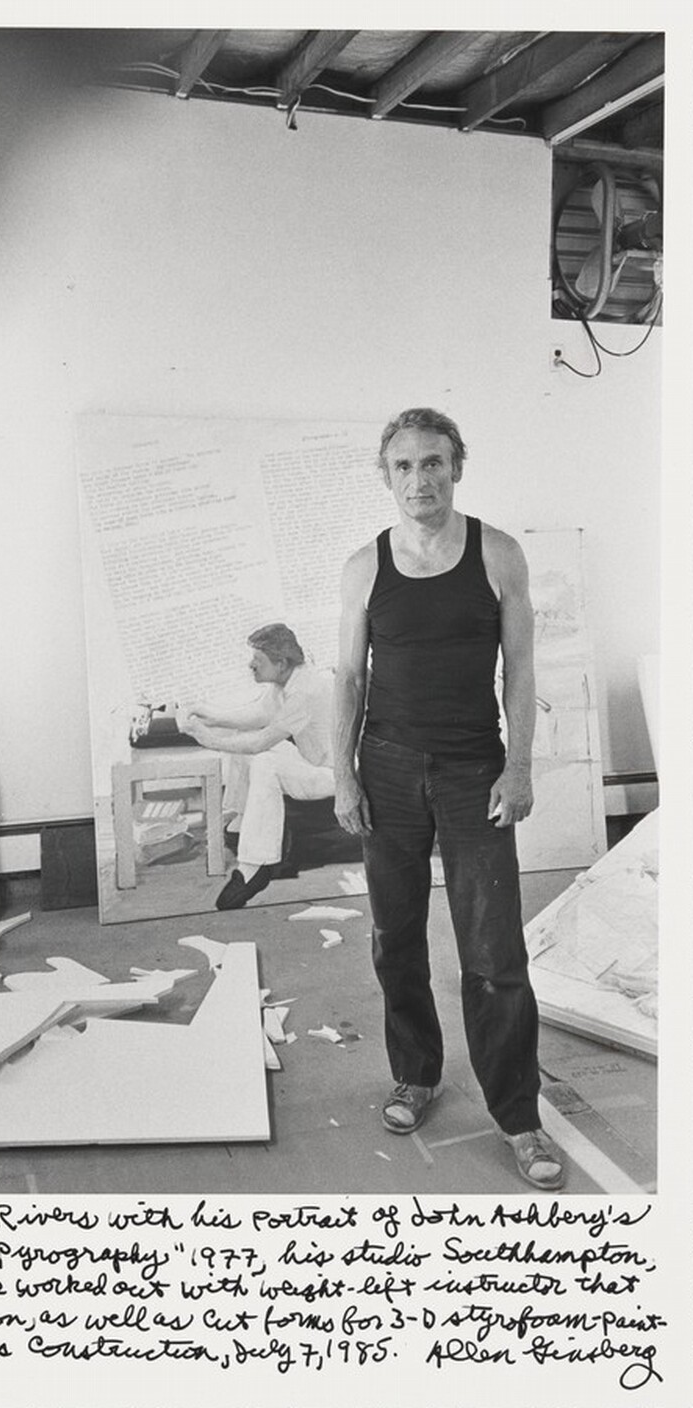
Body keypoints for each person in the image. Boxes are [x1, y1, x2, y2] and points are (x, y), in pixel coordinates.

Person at [334, 406, 564, 1190]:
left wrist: (520, 766)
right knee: (394, 938)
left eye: (433, 462)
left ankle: (519, 1116)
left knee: (494, 954)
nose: (419, 479)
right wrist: (341, 775)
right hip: (387, 769)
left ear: (456, 467)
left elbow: (522, 671)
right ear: (386, 476)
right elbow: (350, 681)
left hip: (473, 771)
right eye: (403, 466)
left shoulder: (496, 553)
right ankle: (416, 1073)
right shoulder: (363, 567)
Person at [182, 623, 335, 910]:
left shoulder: (306, 690)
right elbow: (255, 716)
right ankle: (242, 821)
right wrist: (207, 714)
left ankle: (255, 868)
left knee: (265, 761)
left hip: (332, 775)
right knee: (246, 742)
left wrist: (208, 739)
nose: (250, 665)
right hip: (311, 761)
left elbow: (261, 742)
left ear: (280, 663)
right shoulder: (286, 681)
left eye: (258, 660)